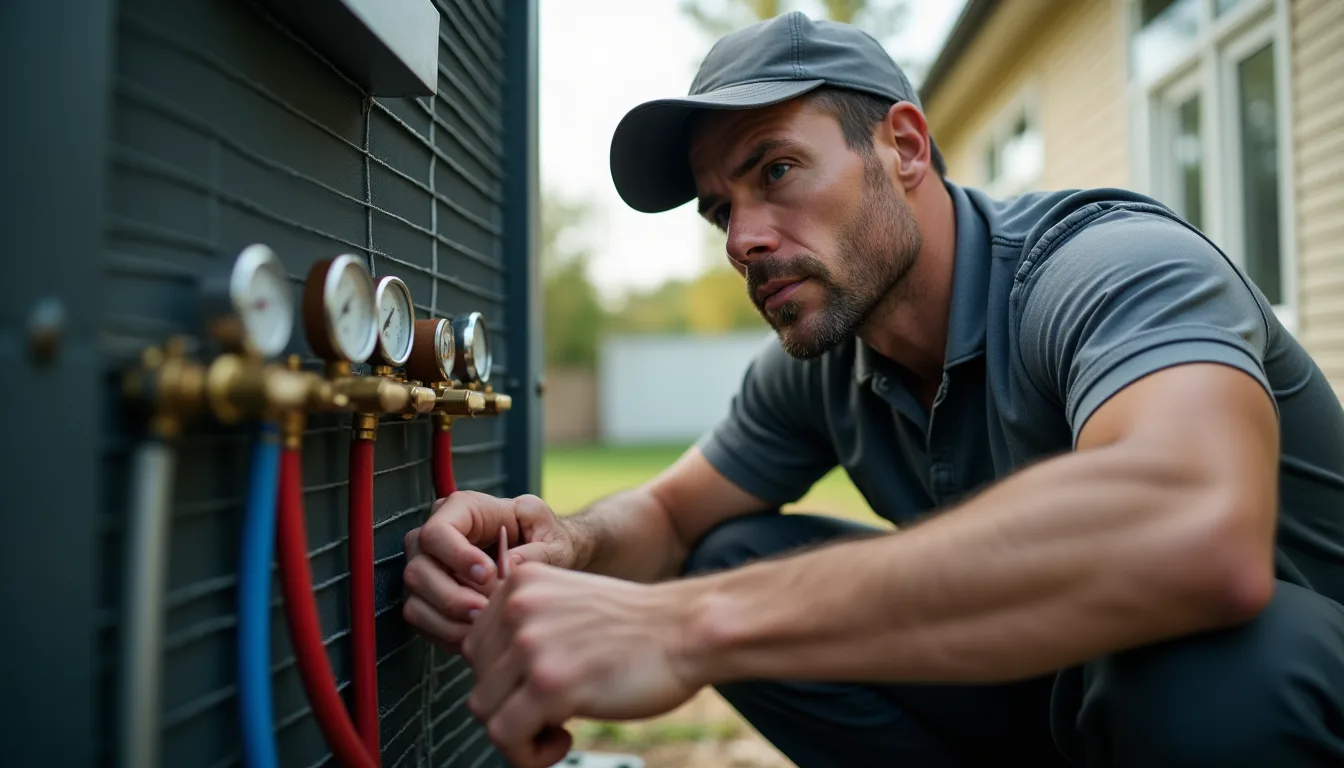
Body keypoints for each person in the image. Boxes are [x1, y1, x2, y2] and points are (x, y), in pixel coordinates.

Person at [401, 12, 1344, 768]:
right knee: (731, 551)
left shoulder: (1108, 265)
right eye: (722, 209)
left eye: (775, 169)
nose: (742, 239)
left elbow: (1193, 527)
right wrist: (564, 543)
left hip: (1269, 694)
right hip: (1074, 692)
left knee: (1215, 672)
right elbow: (674, 516)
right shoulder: (827, 356)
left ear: (903, 144)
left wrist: (688, 629)